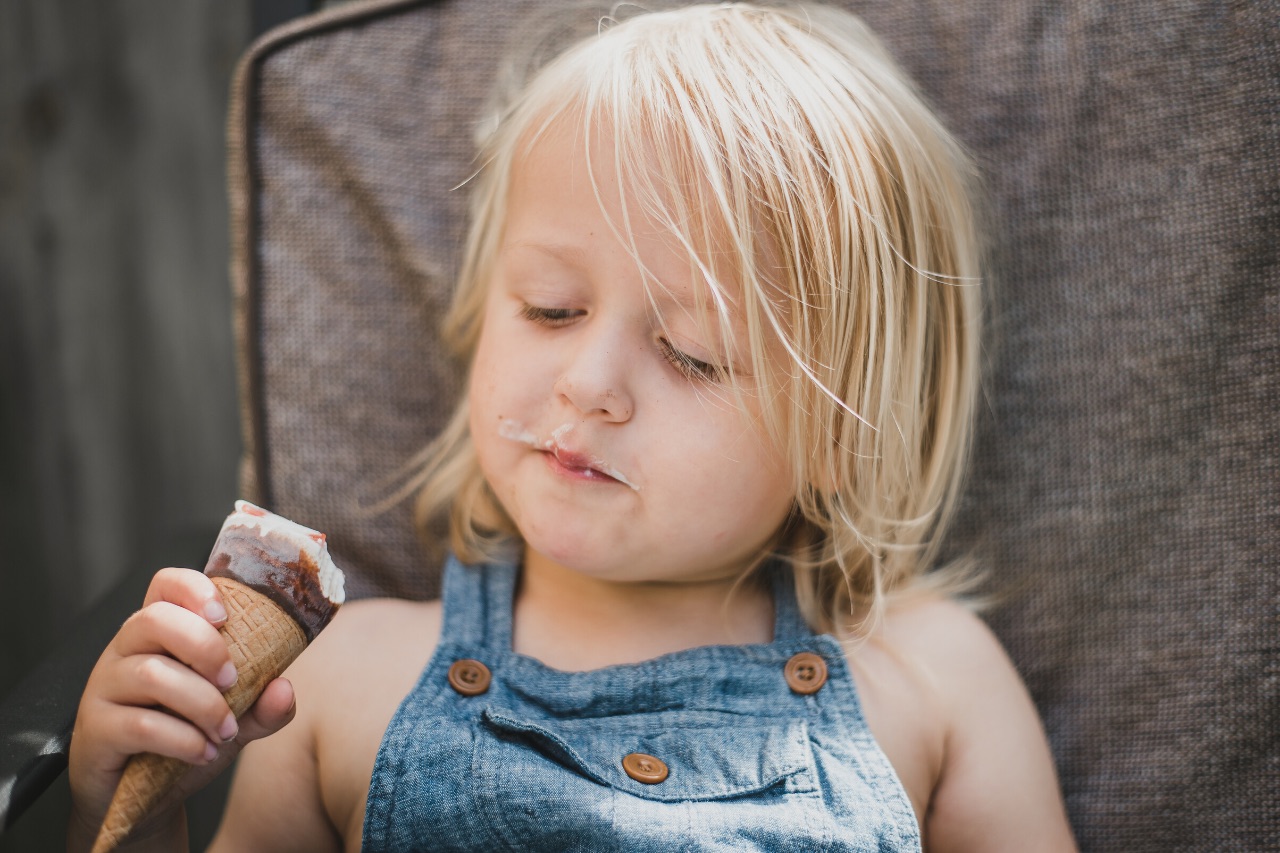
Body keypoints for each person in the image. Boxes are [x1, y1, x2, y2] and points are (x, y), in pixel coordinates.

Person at [67, 3, 1078, 850]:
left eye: (691, 352)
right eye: (551, 308)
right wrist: (123, 805)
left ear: (840, 433)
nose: (589, 383)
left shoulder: (930, 679)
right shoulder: (335, 681)